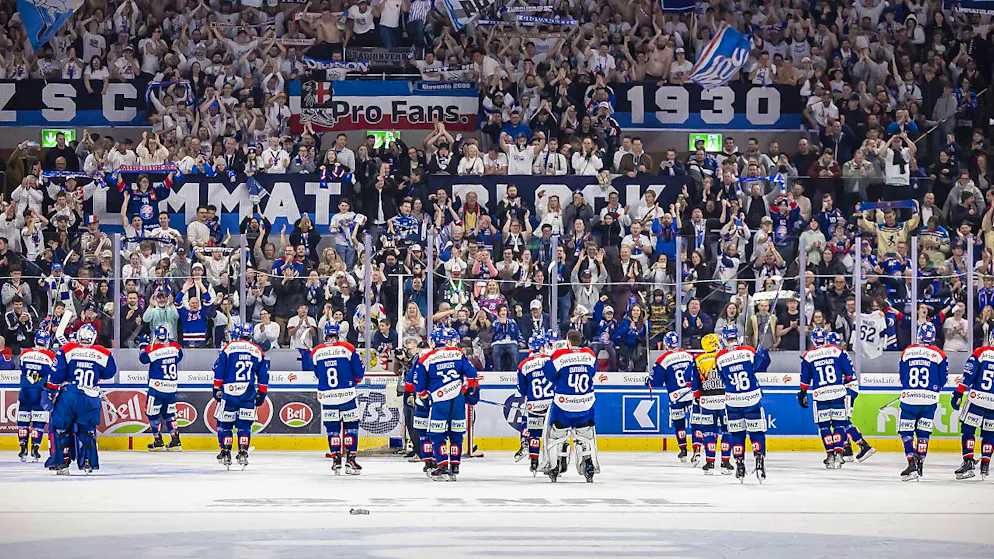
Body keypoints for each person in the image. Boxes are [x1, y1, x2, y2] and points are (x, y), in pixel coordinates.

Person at [47, 324, 118, 474]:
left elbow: (57, 374)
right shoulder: (103, 353)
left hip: (70, 394)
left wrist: (50, 392)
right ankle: (88, 462)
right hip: (91, 396)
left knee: (61, 428)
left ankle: (62, 462)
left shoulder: (68, 349)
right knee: (87, 431)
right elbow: (110, 372)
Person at [412, 327, 479, 481]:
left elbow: (420, 385)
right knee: (456, 434)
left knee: (437, 434)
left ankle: (441, 466)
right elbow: (472, 374)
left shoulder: (426, 358)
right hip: (457, 399)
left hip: (439, 400)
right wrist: (470, 391)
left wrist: (423, 397)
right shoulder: (457, 353)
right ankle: (455, 466)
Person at [714, 323, 771, 483]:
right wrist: (761, 353)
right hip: (752, 398)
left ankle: (739, 463)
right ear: (737, 336)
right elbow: (760, 367)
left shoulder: (720, 357)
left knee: (737, 434)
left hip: (733, 400)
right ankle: (759, 460)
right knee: (756, 432)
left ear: (724, 338)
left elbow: (723, 378)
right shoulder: (748, 351)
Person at [541, 329, 599, 482]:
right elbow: (592, 372)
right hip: (585, 404)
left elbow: (549, 374)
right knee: (585, 434)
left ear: (567, 341)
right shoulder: (589, 354)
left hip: (564, 405)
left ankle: (557, 462)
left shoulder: (560, 355)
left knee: (556, 433)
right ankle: (587, 462)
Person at [309, 322, 366, 475]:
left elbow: (317, 374)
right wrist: (353, 382)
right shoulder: (347, 348)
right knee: (351, 427)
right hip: (347, 395)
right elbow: (359, 371)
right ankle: (350, 459)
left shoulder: (316, 351)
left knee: (333, 430)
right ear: (338, 333)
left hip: (327, 397)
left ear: (325, 333)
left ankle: (335, 461)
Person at [211, 323, 270, 470]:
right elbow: (263, 375)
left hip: (229, 392)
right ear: (250, 335)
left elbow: (219, 370)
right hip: (247, 393)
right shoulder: (257, 350)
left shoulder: (228, 348)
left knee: (225, 425)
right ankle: (243, 451)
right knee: (244, 425)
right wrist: (262, 393)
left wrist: (216, 388)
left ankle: (225, 451)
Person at [798, 328, 856, 469]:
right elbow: (849, 374)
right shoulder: (837, 351)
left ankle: (830, 454)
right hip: (838, 392)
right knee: (839, 425)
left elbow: (805, 380)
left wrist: (802, 393)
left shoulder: (808, 355)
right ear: (825, 338)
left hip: (820, 394)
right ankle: (839, 453)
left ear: (812, 340)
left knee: (824, 426)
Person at [897, 323, 949, 481]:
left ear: (919, 334)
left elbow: (902, 375)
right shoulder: (939, 354)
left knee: (906, 431)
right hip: (929, 399)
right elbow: (943, 380)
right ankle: (920, 465)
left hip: (910, 397)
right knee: (923, 433)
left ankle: (911, 462)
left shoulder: (907, 352)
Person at [647, 332, 697, 463]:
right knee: (696, 423)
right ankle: (697, 448)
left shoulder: (663, 359)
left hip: (676, 396)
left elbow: (656, 381)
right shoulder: (689, 355)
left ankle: (684, 450)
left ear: (665, 343)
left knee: (679, 424)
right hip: (691, 393)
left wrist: (648, 381)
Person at [951, 331, 994, 480]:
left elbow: (969, 374)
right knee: (989, 433)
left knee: (968, 430)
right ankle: (985, 464)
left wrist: (958, 394)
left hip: (977, 399)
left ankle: (968, 462)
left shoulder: (981, 352)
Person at [827, 331, 875, 462]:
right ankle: (847, 449)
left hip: (846, 389)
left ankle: (864, 445)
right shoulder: (840, 354)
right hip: (847, 389)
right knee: (839, 419)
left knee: (842, 420)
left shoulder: (837, 355)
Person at [138, 325, 184, 452]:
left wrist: (143, 345)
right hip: (171, 387)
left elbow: (143, 359)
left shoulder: (152, 349)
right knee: (170, 414)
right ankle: (175, 439)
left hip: (157, 387)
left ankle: (158, 440)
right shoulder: (175, 347)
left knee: (152, 413)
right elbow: (180, 356)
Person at [692, 333, 733, 474]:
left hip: (707, 402)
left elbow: (695, 385)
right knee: (727, 431)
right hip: (725, 401)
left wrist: (698, 398)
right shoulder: (724, 356)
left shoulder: (698, 360)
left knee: (709, 433)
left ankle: (709, 463)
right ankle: (725, 463)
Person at [516, 331, 555, 475]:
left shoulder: (524, 364)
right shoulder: (551, 360)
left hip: (535, 403)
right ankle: (555, 461)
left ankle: (534, 461)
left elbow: (522, 389)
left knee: (534, 433)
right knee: (553, 433)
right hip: (552, 403)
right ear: (544, 346)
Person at [16, 331, 55, 462]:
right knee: (38, 420)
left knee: (23, 419)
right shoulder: (50, 355)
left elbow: (22, 368)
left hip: (25, 390)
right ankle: (35, 448)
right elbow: (53, 374)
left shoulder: (25, 353)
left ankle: (23, 448)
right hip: (40, 391)